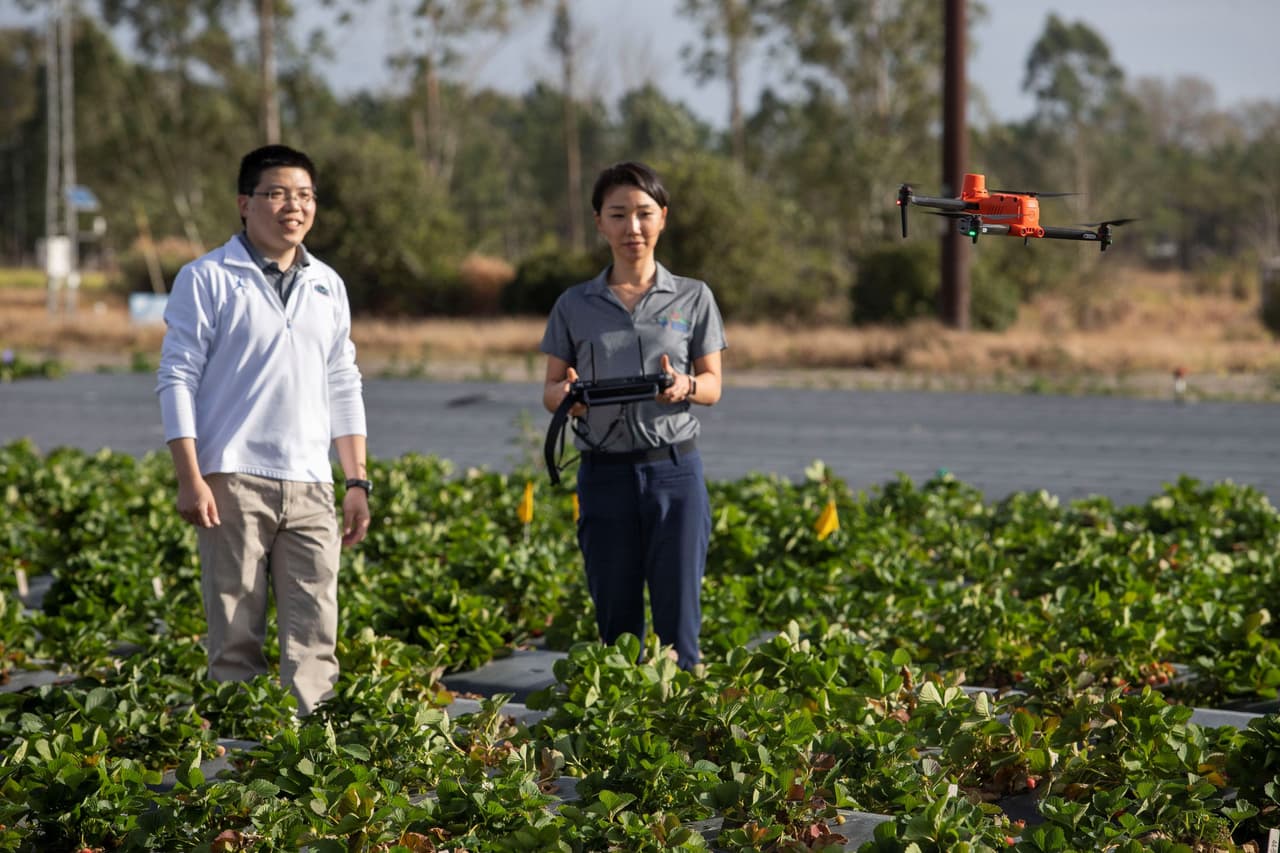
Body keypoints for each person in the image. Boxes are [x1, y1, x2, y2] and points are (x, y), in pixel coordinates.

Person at [156, 144, 371, 715]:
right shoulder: (206, 277)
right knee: (234, 636)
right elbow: (176, 377)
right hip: (233, 478)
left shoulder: (327, 283)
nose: (292, 207)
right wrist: (191, 476)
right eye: (277, 194)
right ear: (245, 204)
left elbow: (343, 383)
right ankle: (239, 765)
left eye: (304, 196)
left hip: (312, 484)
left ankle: (306, 765)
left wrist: (356, 480)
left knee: (315, 636)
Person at [540, 161, 726, 670]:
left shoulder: (693, 296)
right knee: (616, 626)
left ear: (662, 218)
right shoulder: (575, 304)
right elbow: (551, 391)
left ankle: (683, 729)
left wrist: (684, 385)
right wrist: (570, 394)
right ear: (599, 222)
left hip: (674, 471)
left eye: (644, 214)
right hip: (604, 474)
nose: (632, 228)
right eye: (618, 215)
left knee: (679, 624)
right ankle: (625, 738)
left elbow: (712, 385)